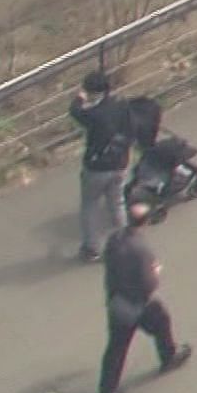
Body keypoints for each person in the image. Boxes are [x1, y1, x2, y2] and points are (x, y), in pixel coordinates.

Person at [96, 201, 192, 393]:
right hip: (138, 304)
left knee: (116, 348)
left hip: (116, 301)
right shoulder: (140, 249)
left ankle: (107, 391)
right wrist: (155, 271)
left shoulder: (115, 239)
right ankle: (169, 356)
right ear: (146, 222)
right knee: (161, 322)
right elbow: (148, 284)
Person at [70, 71, 133, 262]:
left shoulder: (93, 114)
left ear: (90, 91)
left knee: (90, 206)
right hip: (119, 163)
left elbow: (76, 112)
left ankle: (92, 248)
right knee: (117, 203)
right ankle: (125, 242)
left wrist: (78, 99)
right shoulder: (121, 105)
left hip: (97, 168)